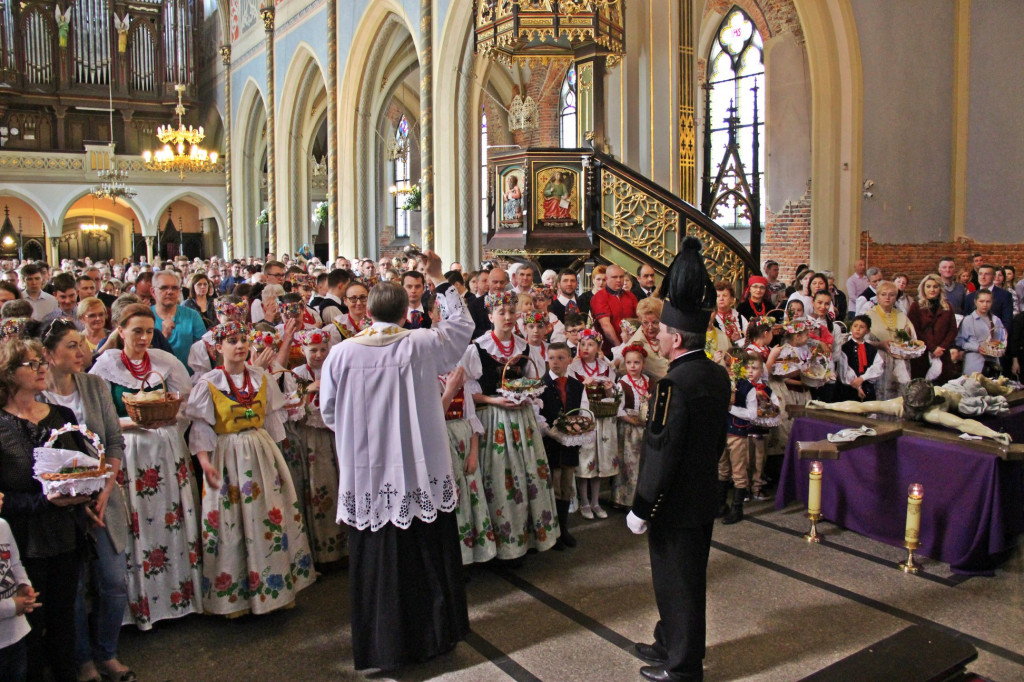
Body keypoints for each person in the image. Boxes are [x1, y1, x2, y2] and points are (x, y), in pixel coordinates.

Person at [319, 252, 473, 671]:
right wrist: (440, 279)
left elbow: (329, 412)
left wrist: (360, 438)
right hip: (419, 469)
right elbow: (462, 327)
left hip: (369, 473)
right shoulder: (422, 343)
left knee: (378, 559)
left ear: (367, 311)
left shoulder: (343, 353)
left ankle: (381, 647)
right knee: (424, 551)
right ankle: (434, 636)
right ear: (407, 310)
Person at [627, 237, 730, 682]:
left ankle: (684, 667)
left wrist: (641, 506)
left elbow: (660, 452)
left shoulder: (673, 385)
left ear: (675, 338)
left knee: (679, 584)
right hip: (705, 491)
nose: (657, 336)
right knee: (681, 579)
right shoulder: (716, 373)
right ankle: (668, 641)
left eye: (662, 332)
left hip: (675, 501)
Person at [186, 322, 315, 616]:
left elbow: (272, 418)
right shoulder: (208, 383)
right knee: (230, 521)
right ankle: (236, 598)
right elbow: (200, 428)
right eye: (232, 340)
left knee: (267, 515)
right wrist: (205, 463)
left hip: (260, 451)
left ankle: (275, 589)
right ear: (218, 347)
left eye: (244, 339)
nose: (240, 345)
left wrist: (277, 457)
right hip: (227, 455)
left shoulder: (260, 378)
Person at [88, 304, 202, 630]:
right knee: (137, 522)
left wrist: (170, 418)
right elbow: (97, 417)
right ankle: (141, 605)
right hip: (129, 453)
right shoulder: (106, 365)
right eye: (136, 330)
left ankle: (179, 597)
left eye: (148, 331)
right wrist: (130, 423)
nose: (143, 337)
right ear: (120, 330)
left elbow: (188, 401)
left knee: (171, 518)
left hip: (165, 450)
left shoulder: (164, 362)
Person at [40, 321, 134, 682]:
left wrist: (106, 490)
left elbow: (113, 441)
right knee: (73, 589)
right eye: (71, 346)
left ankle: (107, 652)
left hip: (103, 499)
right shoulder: (37, 398)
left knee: (113, 582)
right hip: (62, 507)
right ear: (48, 355)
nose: (81, 352)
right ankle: (83, 661)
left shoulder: (94, 386)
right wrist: (71, 496)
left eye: (81, 344)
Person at [0, 338, 91, 682]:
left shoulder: (62, 416)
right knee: (30, 628)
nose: (42, 368)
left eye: (42, 362)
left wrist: (87, 491)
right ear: (8, 374)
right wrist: (43, 501)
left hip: (66, 533)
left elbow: (84, 468)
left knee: (64, 620)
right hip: (23, 540)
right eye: (31, 364)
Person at [290, 328, 346, 566]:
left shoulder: (335, 368)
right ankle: (320, 552)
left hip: (335, 436)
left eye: (323, 349)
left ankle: (345, 547)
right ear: (303, 351)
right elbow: (287, 407)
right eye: (313, 350)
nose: (319, 355)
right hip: (310, 438)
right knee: (316, 488)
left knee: (337, 485)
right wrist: (306, 390)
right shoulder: (295, 374)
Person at [439, 365, 493, 564]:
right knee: (451, 500)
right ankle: (452, 559)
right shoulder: (426, 377)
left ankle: (470, 555)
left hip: (464, 443)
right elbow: (432, 417)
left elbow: (471, 418)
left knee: (470, 499)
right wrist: (450, 390)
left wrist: (473, 454)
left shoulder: (457, 375)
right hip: (442, 443)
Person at [536, 342, 587, 551]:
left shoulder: (577, 385)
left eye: (560, 358)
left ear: (569, 360)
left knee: (566, 485)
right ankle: (552, 530)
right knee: (553, 485)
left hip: (570, 443)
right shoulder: (541, 385)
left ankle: (564, 528)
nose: (555, 362)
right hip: (550, 443)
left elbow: (584, 411)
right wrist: (551, 431)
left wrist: (579, 429)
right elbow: (537, 415)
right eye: (552, 358)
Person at [568, 328, 618, 520]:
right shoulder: (574, 368)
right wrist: (583, 385)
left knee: (599, 461)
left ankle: (596, 501)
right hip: (584, 418)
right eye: (582, 344)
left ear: (598, 347)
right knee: (585, 460)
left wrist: (608, 391)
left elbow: (612, 396)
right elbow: (571, 394)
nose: (585, 348)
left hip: (602, 418)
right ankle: (584, 501)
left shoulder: (606, 367)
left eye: (590, 344)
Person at [0, 489, 36, 682]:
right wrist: (15, 606)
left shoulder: (3, 526)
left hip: (14, 634)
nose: (2, 495)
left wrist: (24, 585)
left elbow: (15, 563)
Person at [612, 344, 649, 509]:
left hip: (644, 427)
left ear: (643, 364)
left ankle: (640, 498)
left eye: (636, 363)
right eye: (629, 363)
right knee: (628, 463)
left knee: (642, 463)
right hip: (629, 428)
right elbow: (617, 408)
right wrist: (631, 420)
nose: (633, 366)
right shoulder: (622, 383)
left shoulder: (648, 381)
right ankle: (624, 499)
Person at [867, 281, 916, 400]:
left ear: (896, 297)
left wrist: (906, 342)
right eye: (883, 294)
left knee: (900, 398)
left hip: (901, 360)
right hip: (879, 360)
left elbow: (911, 339)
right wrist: (880, 344)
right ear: (877, 296)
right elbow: (861, 342)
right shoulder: (869, 315)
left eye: (892, 294)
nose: (887, 298)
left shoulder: (901, 315)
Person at [151, 271, 207, 373]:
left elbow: (203, 350)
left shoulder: (192, 316)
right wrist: (163, 337)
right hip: (155, 378)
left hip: (188, 378)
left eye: (174, 288)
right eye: (164, 288)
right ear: (153, 292)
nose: (170, 292)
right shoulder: (146, 317)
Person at [907, 274, 959, 383]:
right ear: (923, 288)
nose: (932, 290)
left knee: (942, 388)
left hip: (942, 353)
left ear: (940, 288)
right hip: (922, 354)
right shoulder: (915, 307)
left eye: (935, 286)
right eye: (928, 286)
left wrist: (942, 347)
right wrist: (932, 348)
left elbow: (952, 330)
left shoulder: (947, 306)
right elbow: (914, 330)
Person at [591, 264, 638, 355]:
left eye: (621, 277)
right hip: (608, 351)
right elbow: (606, 325)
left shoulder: (630, 296)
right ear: (606, 278)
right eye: (614, 277)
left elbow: (638, 321)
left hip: (631, 348)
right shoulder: (599, 297)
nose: (619, 280)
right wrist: (620, 348)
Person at [835, 315, 884, 401]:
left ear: (867, 331)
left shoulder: (871, 349)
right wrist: (858, 387)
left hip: (867, 389)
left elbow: (878, 367)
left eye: (862, 327)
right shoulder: (845, 348)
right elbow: (844, 370)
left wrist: (862, 378)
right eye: (855, 326)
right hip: (849, 389)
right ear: (851, 328)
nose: (858, 329)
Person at [956, 289, 1005, 376]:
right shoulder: (969, 320)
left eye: (988, 301)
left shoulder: (996, 320)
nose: (985, 305)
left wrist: (1001, 348)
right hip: (974, 361)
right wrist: (976, 347)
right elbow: (960, 341)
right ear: (976, 302)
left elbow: (1002, 340)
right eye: (981, 301)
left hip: (993, 362)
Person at [627, 298, 670, 381]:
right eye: (645, 323)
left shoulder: (667, 335)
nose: (650, 327)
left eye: (654, 322)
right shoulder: (636, 343)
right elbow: (623, 369)